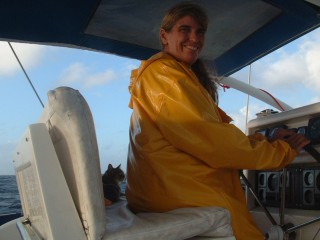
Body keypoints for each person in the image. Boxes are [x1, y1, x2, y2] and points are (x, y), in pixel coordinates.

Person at [125, 2, 310, 240]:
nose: (194, 38)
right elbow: (215, 144)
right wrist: (282, 152)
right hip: (181, 192)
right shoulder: (167, 78)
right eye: (185, 29)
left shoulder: (169, 75)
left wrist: (264, 139)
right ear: (164, 36)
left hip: (161, 189)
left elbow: (207, 136)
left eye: (200, 31)